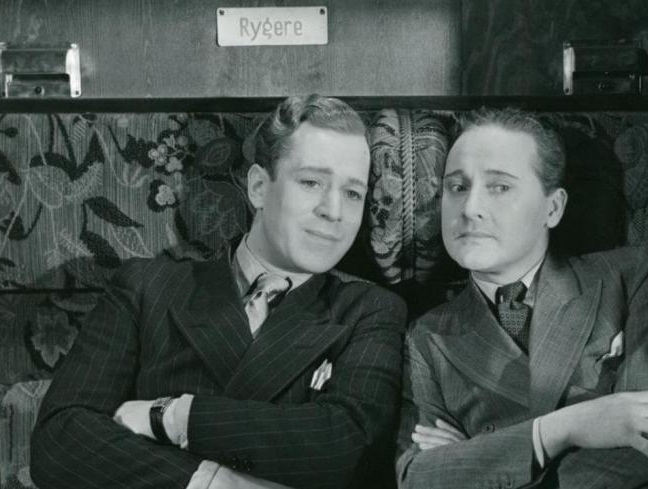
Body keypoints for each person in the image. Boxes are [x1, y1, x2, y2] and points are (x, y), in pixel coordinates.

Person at [31, 94, 407, 489]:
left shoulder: (370, 311)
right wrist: (210, 481)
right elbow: (60, 441)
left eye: (352, 193)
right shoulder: (146, 287)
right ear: (259, 187)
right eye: (311, 182)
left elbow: (344, 446)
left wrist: (176, 417)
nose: (334, 210)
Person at [396, 108, 648, 489]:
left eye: (499, 187)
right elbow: (417, 476)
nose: (470, 209)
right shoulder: (426, 337)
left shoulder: (632, 278)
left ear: (552, 208)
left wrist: (479, 461)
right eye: (457, 187)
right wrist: (560, 430)